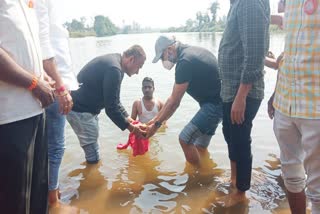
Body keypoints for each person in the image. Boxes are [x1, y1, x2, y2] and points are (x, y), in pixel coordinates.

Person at [0, 1, 55, 213]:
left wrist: (43, 77)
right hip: (10, 117)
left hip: (36, 111)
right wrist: (33, 82)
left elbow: (24, 48)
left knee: (37, 195)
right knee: (15, 200)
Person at [217, 0, 270, 207]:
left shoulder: (248, 2)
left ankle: (241, 193)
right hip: (230, 88)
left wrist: (241, 96)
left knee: (239, 139)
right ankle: (234, 179)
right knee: (229, 134)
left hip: (243, 91)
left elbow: (255, 54)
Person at [270, 0, 320, 213]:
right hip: (285, 102)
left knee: (318, 187)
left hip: (315, 104)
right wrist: (275, 92)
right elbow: (288, 51)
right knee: (290, 173)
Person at [146, 35, 222, 166]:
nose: (163, 61)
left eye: (162, 57)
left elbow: (174, 102)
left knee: (185, 139)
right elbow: (172, 98)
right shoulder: (190, 53)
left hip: (214, 106)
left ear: (169, 49)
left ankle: (198, 178)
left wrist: (155, 126)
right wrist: (155, 120)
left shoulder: (185, 62)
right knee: (200, 146)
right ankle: (208, 176)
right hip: (217, 104)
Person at [67, 45, 147, 164]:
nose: (138, 72)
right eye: (138, 67)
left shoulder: (117, 65)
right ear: (131, 60)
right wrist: (132, 128)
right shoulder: (114, 69)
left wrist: (129, 119)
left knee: (93, 148)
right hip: (80, 110)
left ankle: (89, 177)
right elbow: (111, 109)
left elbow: (115, 101)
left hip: (84, 108)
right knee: (93, 154)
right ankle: (93, 180)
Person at [35, 0, 77, 206]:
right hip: (53, 81)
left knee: (51, 144)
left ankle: (54, 190)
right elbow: (43, 41)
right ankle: (53, 200)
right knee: (56, 145)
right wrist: (60, 86)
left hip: (53, 78)